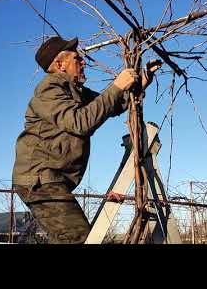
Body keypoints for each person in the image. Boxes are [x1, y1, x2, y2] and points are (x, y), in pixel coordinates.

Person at [12, 36, 161, 244]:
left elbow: (111, 105)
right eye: (77, 59)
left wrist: (141, 81)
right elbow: (80, 122)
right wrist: (117, 86)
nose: (83, 62)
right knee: (78, 237)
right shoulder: (49, 90)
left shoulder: (76, 91)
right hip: (39, 180)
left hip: (52, 179)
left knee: (72, 237)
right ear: (60, 64)